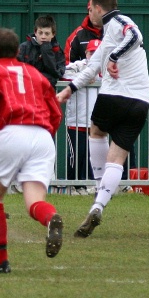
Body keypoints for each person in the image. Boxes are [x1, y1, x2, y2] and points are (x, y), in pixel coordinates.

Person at [57, 0, 149, 238]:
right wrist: (70, 89)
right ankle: (98, 206)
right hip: (141, 102)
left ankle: (99, 188)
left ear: (99, 8)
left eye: (90, 9)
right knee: (117, 157)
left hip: (115, 95)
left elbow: (135, 35)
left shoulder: (119, 21)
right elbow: (90, 68)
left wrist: (114, 58)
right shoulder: (109, 33)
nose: (89, 13)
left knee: (96, 132)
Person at [0, 27, 64, 273]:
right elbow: (55, 111)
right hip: (42, 136)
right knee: (34, 201)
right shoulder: (35, 74)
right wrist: (46, 136)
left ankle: (1, 260)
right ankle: (50, 218)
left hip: (10, 132)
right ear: (18, 51)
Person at [62, 39, 102, 195]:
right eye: (91, 52)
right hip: (76, 120)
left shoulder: (106, 68)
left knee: (94, 156)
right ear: (86, 53)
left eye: (96, 53)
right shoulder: (78, 66)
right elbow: (63, 74)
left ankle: (93, 185)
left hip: (96, 122)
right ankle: (74, 186)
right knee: (76, 155)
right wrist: (82, 78)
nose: (93, 55)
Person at [16, 15, 66, 86]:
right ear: (35, 32)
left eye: (47, 33)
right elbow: (17, 71)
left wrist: (46, 51)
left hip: (47, 92)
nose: (43, 37)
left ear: (53, 34)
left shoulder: (57, 50)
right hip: (27, 90)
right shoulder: (24, 48)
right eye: (40, 33)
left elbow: (58, 73)